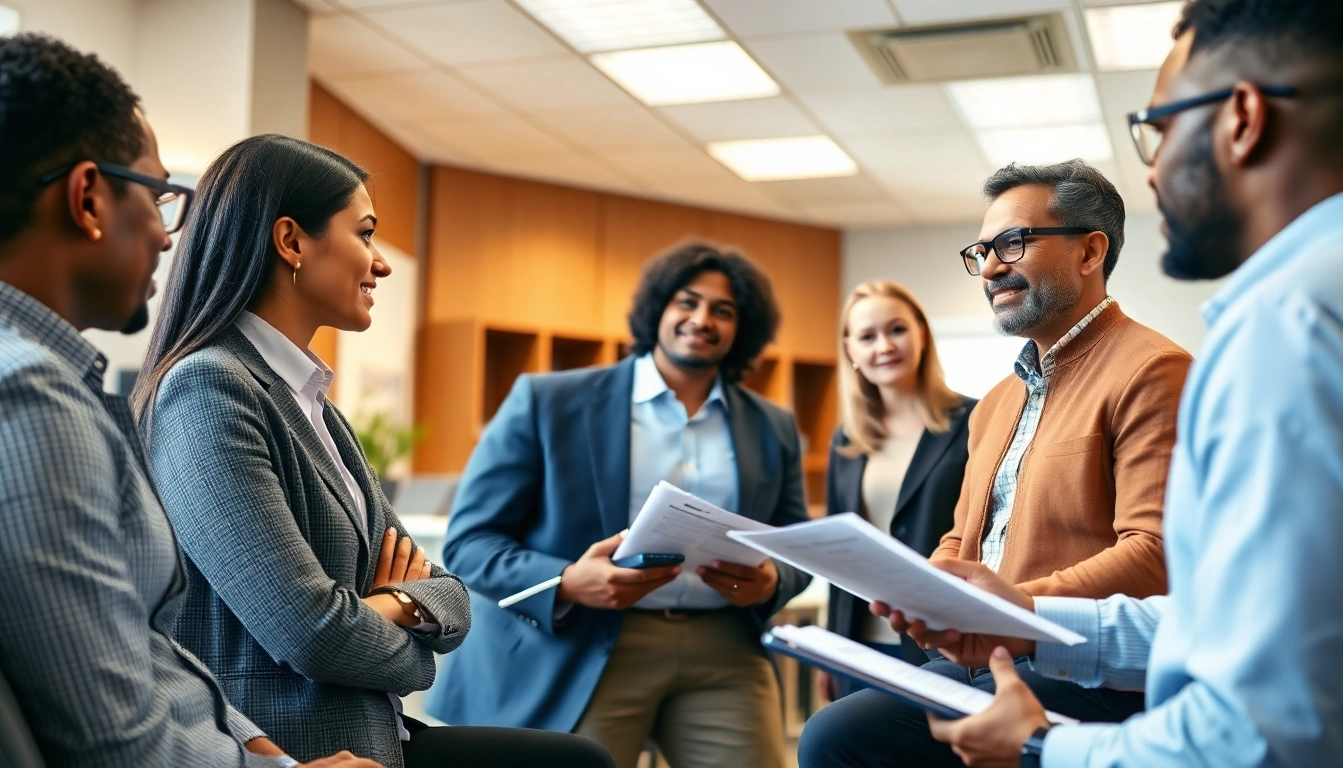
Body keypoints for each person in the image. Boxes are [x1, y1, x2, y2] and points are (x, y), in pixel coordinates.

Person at [885, 1, 1343, 765]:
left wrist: (1041, 745)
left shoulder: (1280, 325)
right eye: (983, 250)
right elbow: (1224, 622)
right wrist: (987, 600)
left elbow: (1264, 727)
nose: (1153, 165)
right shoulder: (997, 400)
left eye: (1160, 128)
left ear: (1242, 118)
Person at [131, 134, 615, 768]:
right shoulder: (210, 386)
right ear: (291, 242)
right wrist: (405, 621)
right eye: (365, 234)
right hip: (303, 745)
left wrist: (395, 605)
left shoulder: (309, 399)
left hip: (375, 732)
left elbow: (450, 594)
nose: (381, 263)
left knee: (581, 760)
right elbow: (312, 633)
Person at [0, 32, 376, 768]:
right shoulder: (33, 400)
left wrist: (264, 753)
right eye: (157, 194)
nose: (170, 238)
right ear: (88, 198)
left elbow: (143, 648)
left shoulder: (50, 383)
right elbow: (113, 738)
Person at [798, 160, 1193, 768]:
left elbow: (1153, 553)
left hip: (1084, 672)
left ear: (1091, 252)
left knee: (846, 738)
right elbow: (963, 537)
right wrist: (927, 591)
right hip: (984, 654)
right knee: (833, 732)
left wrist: (1006, 610)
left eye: (1012, 243)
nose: (989, 268)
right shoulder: (995, 403)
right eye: (981, 250)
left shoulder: (1154, 371)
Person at [425, 243, 813, 768]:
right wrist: (566, 580)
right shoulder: (549, 401)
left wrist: (774, 580)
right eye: (687, 302)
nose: (702, 319)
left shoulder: (772, 425)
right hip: (587, 641)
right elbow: (471, 544)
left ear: (743, 328)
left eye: (723, 311)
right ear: (658, 308)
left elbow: (794, 542)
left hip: (724, 645)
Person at [820, 280, 975, 700]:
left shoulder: (975, 421)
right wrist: (834, 647)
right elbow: (840, 555)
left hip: (943, 643)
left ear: (922, 333)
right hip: (861, 642)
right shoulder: (846, 441)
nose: (884, 346)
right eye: (867, 336)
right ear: (851, 351)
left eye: (897, 329)